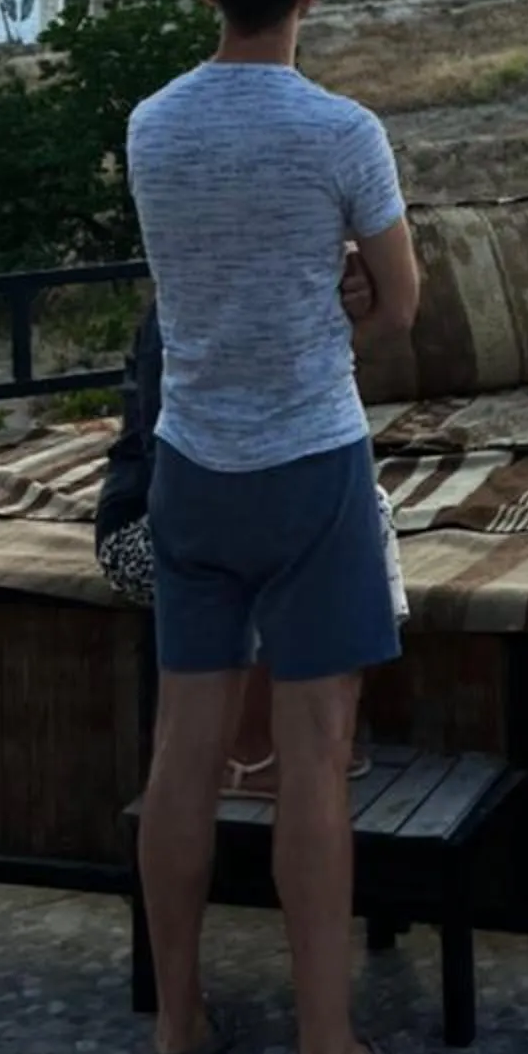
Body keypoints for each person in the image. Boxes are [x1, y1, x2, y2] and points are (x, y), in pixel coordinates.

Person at [127, 0, 431, 1054]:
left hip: (189, 465)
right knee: (313, 757)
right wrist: (353, 278)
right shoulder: (343, 133)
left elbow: (193, 276)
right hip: (309, 464)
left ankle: (179, 1030)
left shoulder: (150, 128)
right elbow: (401, 303)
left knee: (182, 756)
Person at [95, 299, 409, 794]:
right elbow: (168, 460)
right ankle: (250, 746)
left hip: (222, 505)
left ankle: (326, 726)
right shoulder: (175, 321)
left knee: (366, 509)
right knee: (271, 530)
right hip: (149, 527)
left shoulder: (256, 310)